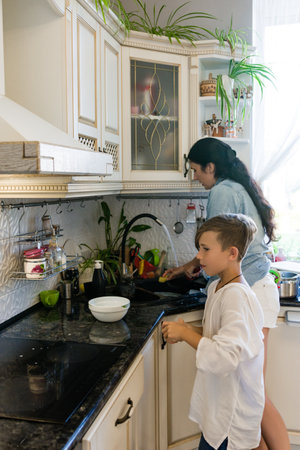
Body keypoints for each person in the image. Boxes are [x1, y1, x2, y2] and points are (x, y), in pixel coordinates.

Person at [163, 137, 290, 450]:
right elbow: (216, 248)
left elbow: (216, 243)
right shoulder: (237, 186)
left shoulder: (221, 190)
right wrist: (188, 267)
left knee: (252, 393)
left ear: (210, 167)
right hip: (261, 288)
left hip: (255, 289)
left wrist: (192, 266)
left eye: (196, 171)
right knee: (250, 391)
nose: (195, 177)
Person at [162, 214, 265, 450]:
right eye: (199, 248)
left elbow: (226, 355)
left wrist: (187, 335)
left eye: (206, 249)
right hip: (220, 410)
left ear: (232, 253)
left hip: (232, 419)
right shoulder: (218, 287)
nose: (198, 256)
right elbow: (216, 332)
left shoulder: (236, 297)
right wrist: (187, 329)